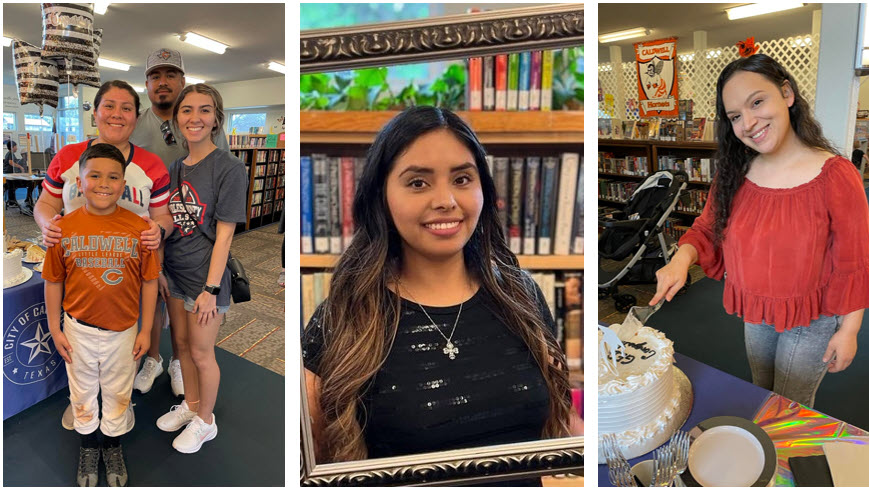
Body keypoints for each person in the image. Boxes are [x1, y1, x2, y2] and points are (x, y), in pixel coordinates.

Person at [301, 106, 582, 485]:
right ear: (381, 196)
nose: (446, 200)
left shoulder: (522, 294)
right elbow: (313, 462)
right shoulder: (342, 316)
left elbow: (561, 421)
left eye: (463, 179)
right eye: (418, 183)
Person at [651, 54, 869, 408]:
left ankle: (785, 457)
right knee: (760, 388)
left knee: (791, 402)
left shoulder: (835, 175)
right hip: (756, 311)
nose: (749, 122)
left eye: (757, 102)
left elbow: (855, 262)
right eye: (736, 116)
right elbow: (707, 228)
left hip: (812, 316)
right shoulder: (736, 172)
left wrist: (849, 331)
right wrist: (681, 260)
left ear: (786, 94)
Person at [33, 80, 174, 431]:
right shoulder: (68, 157)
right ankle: (83, 406)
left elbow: (164, 217)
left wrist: (159, 231)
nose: (117, 114)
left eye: (126, 108)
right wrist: (49, 225)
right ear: (95, 112)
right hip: (79, 268)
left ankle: (112, 414)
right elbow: (46, 203)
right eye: (108, 105)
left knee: (120, 357)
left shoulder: (151, 165)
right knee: (79, 348)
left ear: (136, 117)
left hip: (127, 273)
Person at [43, 143, 160, 487]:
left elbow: (150, 283)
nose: (103, 183)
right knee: (81, 392)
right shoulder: (63, 228)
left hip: (123, 330)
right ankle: (88, 445)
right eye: (94, 175)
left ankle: (112, 444)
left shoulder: (139, 228)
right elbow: (53, 281)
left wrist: (146, 330)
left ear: (124, 185)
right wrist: (54, 327)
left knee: (118, 391)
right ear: (79, 182)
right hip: (77, 329)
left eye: (112, 177)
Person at [129, 48, 231, 399]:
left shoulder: (205, 126)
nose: (163, 82)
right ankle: (154, 359)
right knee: (153, 301)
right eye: (156, 76)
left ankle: (178, 362)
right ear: (147, 84)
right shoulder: (137, 124)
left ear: (182, 81)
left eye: (171, 75)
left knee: (186, 322)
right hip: (155, 230)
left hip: (197, 238)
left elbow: (224, 193)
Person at [155, 83, 246, 453]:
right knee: (180, 345)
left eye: (204, 110)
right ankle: (191, 406)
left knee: (202, 353)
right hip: (174, 274)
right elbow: (170, 222)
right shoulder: (176, 167)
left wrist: (210, 290)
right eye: (187, 110)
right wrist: (160, 268)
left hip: (205, 281)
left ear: (216, 119)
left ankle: (205, 421)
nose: (195, 117)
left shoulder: (229, 167)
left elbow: (225, 237)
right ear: (177, 119)